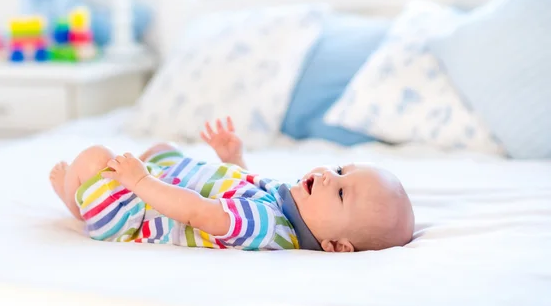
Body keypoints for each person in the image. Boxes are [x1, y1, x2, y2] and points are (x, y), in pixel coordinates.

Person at [49, 117, 414, 252]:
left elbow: (197, 212)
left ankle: (78, 203)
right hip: (164, 183)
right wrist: (233, 161)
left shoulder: (270, 226)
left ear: (336, 245)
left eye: (339, 191)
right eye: (339, 169)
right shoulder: (291, 202)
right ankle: (89, 191)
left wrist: (139, 180)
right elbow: (241, 191)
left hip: (138, 216)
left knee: (94, 157)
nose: (326, 176)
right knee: (164, 148)